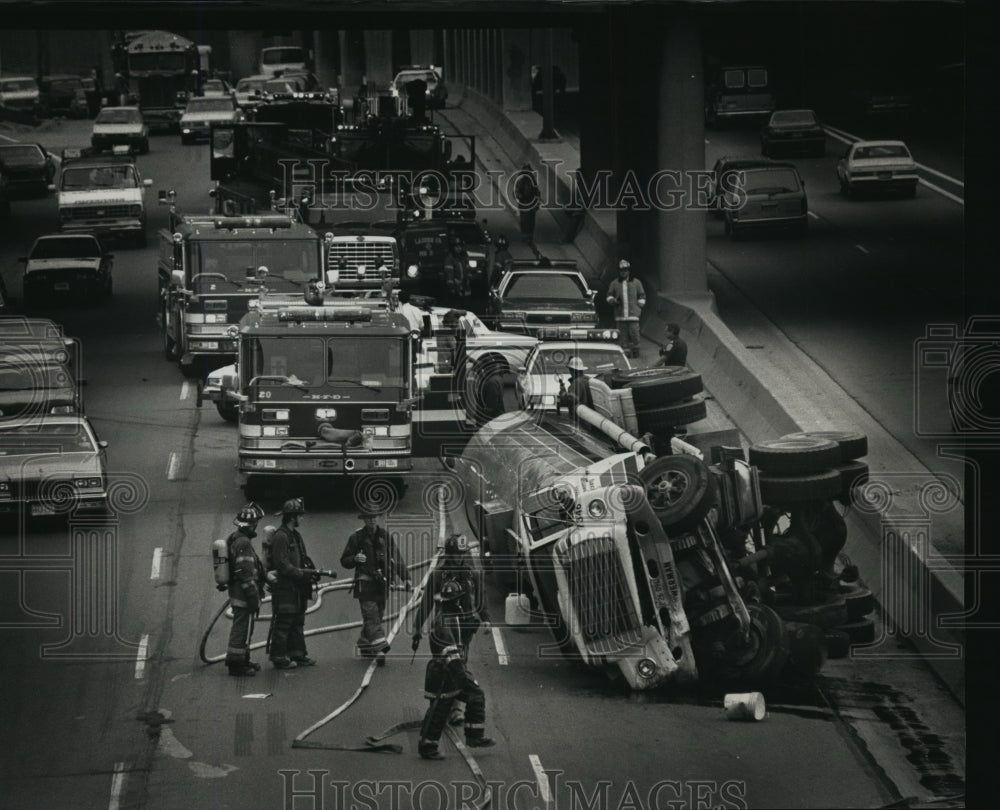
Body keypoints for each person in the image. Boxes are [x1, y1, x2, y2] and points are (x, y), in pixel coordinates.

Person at [412, 579, 496, 760]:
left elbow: (461, 634)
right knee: (441, 708)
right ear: (456, 600)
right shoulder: (442, 622)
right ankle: (428, 746)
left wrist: (472, 625)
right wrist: (460, 674)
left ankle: (473, 737)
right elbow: (449, 649)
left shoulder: (451, 616)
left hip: (449, 670)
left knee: (452, 703)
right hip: (446, 671)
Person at [340, 508, 411, 665]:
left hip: (382, 584)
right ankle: (380, 649)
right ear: (364, 519)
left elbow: (396, 558)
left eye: (374, 517)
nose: (372, 520)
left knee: (377, 616)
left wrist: (406, 578)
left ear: (378, 518)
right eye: (368, 517)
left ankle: (365, 643)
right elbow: (344, 560)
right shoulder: (356, 538)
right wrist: (355, 558)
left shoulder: (385, 537)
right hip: (365, 584)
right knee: (371, 617)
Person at [267, 497, 320, 670]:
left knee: (298, 621)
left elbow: (302, 558)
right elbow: (281, 564)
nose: (302, 519)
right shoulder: (281, 537)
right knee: (284, 622)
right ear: (292, 517)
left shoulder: (295, 535)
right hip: (285, 588)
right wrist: (300, 574)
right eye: (300, 515)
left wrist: (310, 572)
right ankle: (279, 657)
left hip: (297, 587)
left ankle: (297, 654)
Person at [224, 503, 267, 677]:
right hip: (244, 595)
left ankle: (244, 659)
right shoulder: (244, 543)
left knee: (246, 628)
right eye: (255, 524)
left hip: (237, 592)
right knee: (241, 629)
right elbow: (245, 573)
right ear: (251, 525)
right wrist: (253, 595)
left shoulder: (235, 538)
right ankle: (236, 665)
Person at [606, 259, 646, 359]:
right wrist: (613, 301)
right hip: (620, 316)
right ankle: (626, 354)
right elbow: (609, 295)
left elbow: (642, 295)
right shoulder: (614, 283)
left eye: (625, 270)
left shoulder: (636, 282)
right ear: (619, 271)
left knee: (635, 334)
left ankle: (636, 351)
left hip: (633, 315)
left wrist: (640, 305)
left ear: (628, 271)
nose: (623, 272)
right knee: (622, 337)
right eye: (621, 270)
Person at [513, 164, 541, 245]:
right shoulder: (520, 181)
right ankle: (525, 236)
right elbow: (516, 191)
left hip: (531, 204)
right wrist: (519, 196)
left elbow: (537, 192)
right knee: (524, 221)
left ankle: (529, 236)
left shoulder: (532, 181)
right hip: (524, 204)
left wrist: (537, 202)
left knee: (531, 221)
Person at [443, 237, 470, 302]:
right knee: (456, 305)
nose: (458, 248)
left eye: (460, 246)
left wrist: (467, 280)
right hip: (455, 287)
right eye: (456, 247)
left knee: (466, 304)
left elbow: (467, 270)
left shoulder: (464, 257)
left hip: (464, 286)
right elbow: (449, 274)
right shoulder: (450, 259)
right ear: (453, 248)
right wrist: (452, 288)